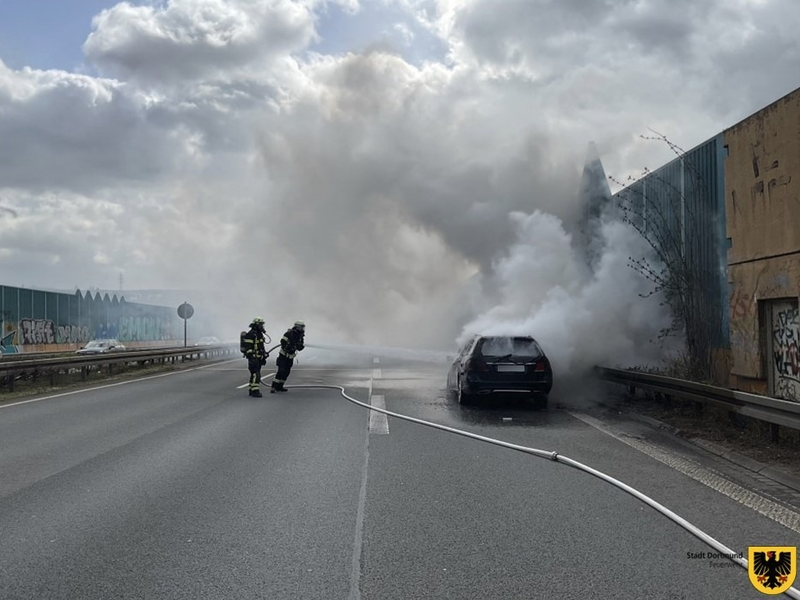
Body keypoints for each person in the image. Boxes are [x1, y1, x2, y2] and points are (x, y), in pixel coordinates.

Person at [271, 320, 305, 393]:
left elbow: (300, 346)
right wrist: (288, 347)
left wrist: (300, 347)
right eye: (301, 327)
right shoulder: (289, 333)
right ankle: (273, 387)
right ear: (297, 327)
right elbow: (283, 342)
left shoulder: (300, 336)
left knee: (287, 372)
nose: (302, 329)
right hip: (283, 356)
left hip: (290, 357)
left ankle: (280, 386)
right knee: (281, 371)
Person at [242, 317, 269, 397]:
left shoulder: (259, 334)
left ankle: (251, 389)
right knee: (256, 374)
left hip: (258, 358)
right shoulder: (251, 334)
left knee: (254, 374)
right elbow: (248, 346)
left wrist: (264, 354)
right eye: (261, 324)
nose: (262, 326)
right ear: (257, 324)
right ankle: (255, 391)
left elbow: (260, 346)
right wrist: (251, 357)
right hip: (253, 358)